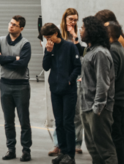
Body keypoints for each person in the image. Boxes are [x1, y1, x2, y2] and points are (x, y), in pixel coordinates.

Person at [0, 15, 33, 161]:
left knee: (24, 120)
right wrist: (14, 58)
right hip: (5, 84)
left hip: (21, 86)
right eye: (10, 23)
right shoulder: (0, 40)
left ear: (21, 28)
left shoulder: (25, 44)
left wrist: (3, 60)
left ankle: (26, 150)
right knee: (8, 121)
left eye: (15, 25)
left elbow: (22, 64)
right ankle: (11, 149)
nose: (11, 26)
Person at [42, 22, 80, 164]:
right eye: (45, 38)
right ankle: (63, 152)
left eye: (49, 37)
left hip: (69, 90)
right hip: (55, 90)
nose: (48, 40)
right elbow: (46, 67)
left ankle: (70, 155)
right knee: (59, 122)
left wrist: (70, 80)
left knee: (67, 122)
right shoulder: (49, 47)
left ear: (56, 33)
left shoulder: (69, 46)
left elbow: (78, 67)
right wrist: (48, 52)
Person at [80, 16, 116, 164]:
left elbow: (103, 83)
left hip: (98, 109)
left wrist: (98, 108)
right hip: (87, 106)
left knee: (104, 150)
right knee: (93, 148)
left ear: (91, 31)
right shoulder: (90, 51)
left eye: (83, 28)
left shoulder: (100, 53)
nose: (80, 30)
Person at [61, 8, 85, 159]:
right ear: (65, 19)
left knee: (76, 112)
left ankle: (77, 143)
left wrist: (75, 37)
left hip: (75, 76)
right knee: (60, 114)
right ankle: (59, 144)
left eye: (75, 20)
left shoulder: (78, 35)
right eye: (71, 19)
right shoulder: (59, 34)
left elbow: (81, 53)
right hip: (61, 77)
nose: (73, 22)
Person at [106, 21, 124, 164]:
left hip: (115, 98)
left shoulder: (113, 50)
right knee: (120, 133)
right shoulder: (119, 47)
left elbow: (111, 76)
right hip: (121, 97)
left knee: (116, 134)